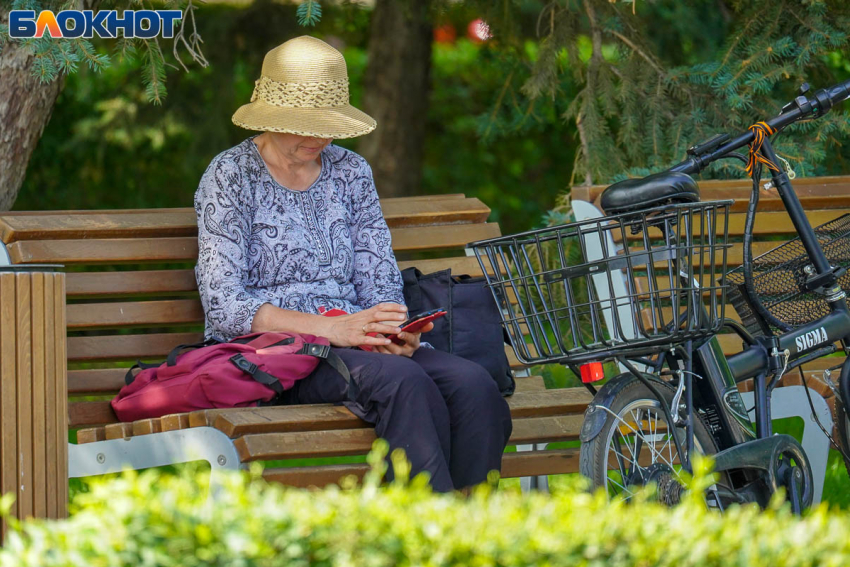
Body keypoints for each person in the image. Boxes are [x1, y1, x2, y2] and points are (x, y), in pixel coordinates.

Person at [194, 36, 512, 492]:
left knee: (474, 385)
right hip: (281, 354)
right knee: (405, 385)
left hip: (359, 344)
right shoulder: (230, 176)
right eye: (305, 124)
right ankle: (420, 537)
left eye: (328, 124)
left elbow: (378, 274)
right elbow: (225, 307)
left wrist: (392, 330)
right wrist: (334, 330)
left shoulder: (350, 171)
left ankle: (471, 532)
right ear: (271, 117)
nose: (321, 137)